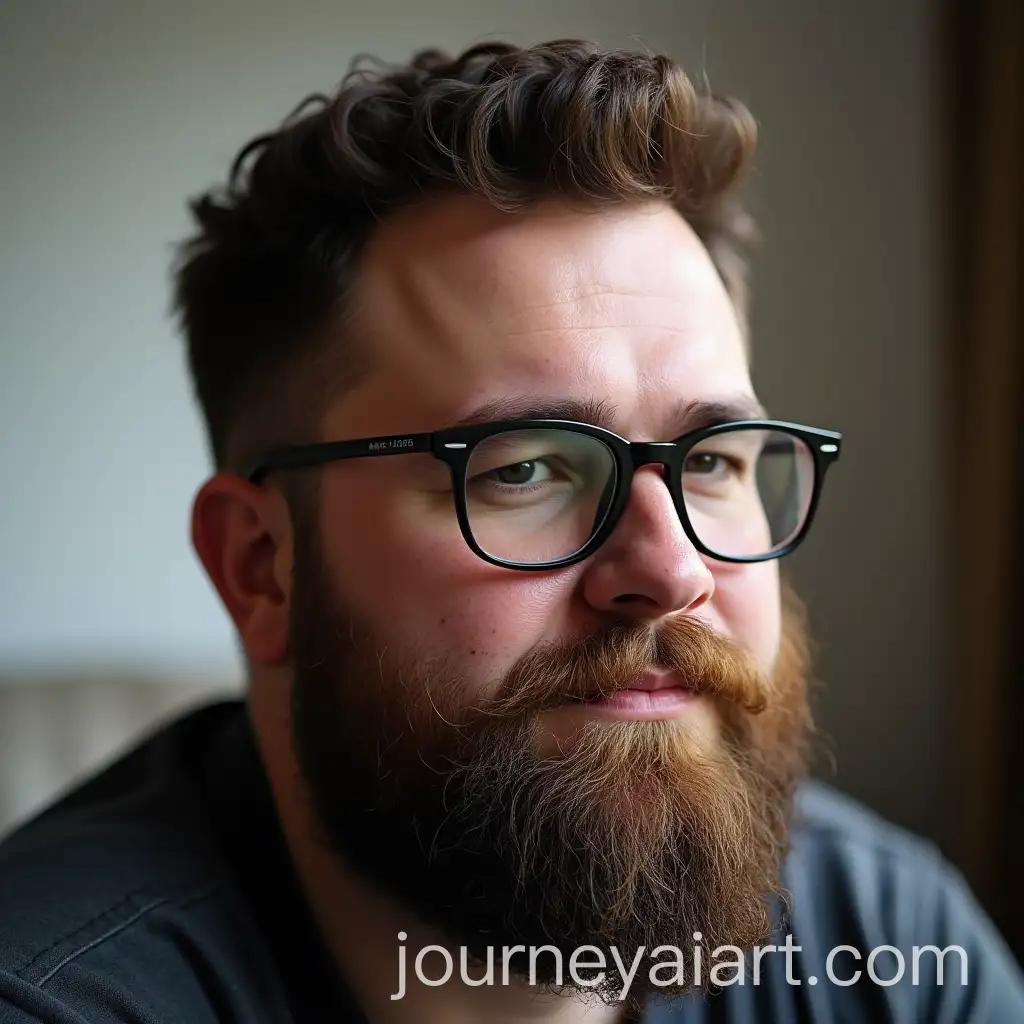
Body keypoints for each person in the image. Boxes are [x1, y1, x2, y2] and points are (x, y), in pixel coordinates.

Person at [0, 38, 1021, 1024]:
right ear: (261, 566)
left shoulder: (887, 946)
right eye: (524, 468)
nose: (669, 570)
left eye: (708, 462)